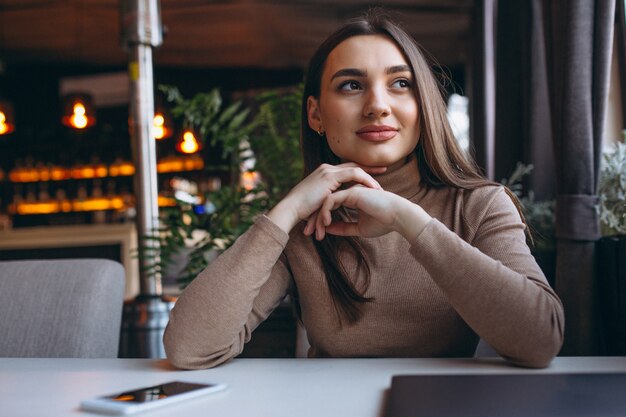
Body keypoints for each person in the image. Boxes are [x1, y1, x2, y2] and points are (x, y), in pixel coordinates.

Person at [163, 11, 564, 370]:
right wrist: (285, 212)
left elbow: (540, 340)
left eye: (400, 83)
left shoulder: (479, 206)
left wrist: (408, 221)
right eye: (352, 85)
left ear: (423, 106)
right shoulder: (305, 223)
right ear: (316, 115)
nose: (377, 105)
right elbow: (189, 348)